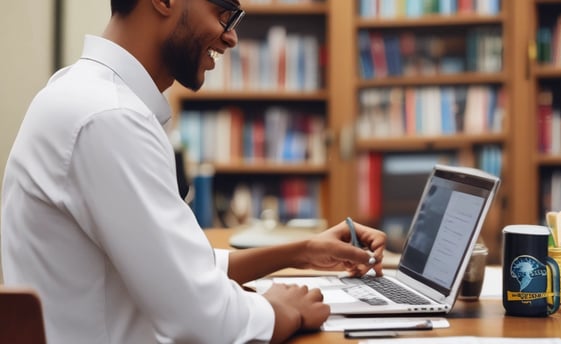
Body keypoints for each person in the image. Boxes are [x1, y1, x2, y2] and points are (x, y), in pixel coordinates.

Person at [0, 0, 387, 343]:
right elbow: (204, 322)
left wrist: (302, 251)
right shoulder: (109, 118)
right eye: (224, 13)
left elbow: (176, 265)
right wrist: (282, 310)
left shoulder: (81, 94)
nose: (231, 37)